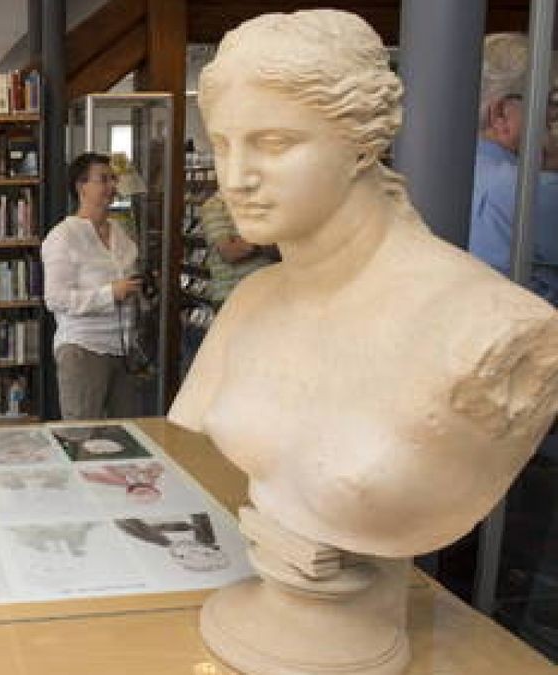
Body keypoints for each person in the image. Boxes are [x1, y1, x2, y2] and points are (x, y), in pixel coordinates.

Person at [169, 11, 558, 672]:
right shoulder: (253, 301)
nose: (236, 176)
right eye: (224, 144)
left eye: (274, 142)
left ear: (360, 143)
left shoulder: (493, 329)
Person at [42, 152, 141, 420]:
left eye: (113, 180)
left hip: (121, 350)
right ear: (81, 187)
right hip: (83, 349)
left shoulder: (121, 235)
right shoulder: (63, 236)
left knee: (124, 438)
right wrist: (111, 293)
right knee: (83, 436)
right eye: (103, 180)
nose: (112, 187)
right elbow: (55, 299)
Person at [469, 33, 558, 306]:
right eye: (552, 102)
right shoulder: (530, 189)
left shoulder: (445, 173)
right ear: (501, 115)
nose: (555, 115)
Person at [199, 191, 278, 305]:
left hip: (267, 293)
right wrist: (262, 239)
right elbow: (229, 251)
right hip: (233, 295)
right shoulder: (215, 206)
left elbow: (279, 250)